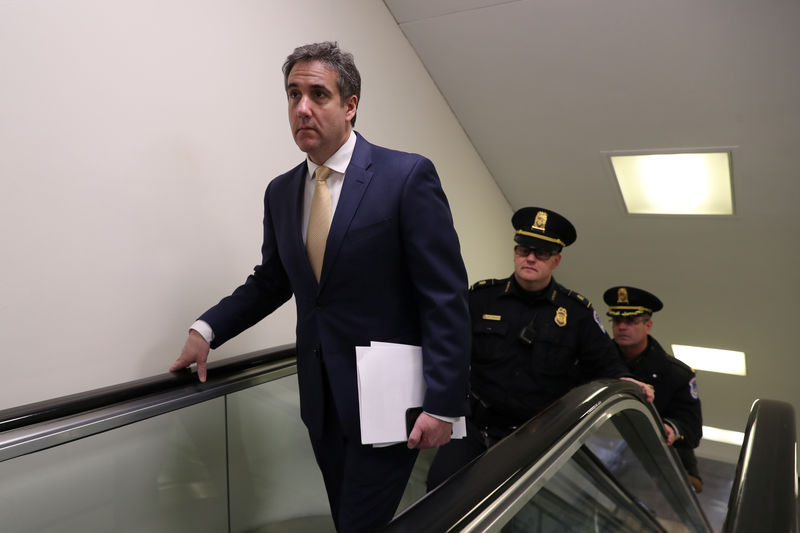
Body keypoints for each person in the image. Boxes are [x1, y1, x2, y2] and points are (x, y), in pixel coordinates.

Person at [169, 42, 470, 532]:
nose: (302, 108)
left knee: (358, 523)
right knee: (344, 518)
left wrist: (444, 403)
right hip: (322, 401)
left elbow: (444, 297)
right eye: (293, 95)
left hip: (389, 400)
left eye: (317, 94)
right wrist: (207, 330)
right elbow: (272, 281)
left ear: (350, 105)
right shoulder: (282, 191)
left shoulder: (405, 177)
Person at [426, 207, 653, 490]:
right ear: (515, 252)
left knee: (496, 511)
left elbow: (606, 363)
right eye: (524, 250)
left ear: (556, 260)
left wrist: (625, 381)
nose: (530, 258)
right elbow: (449, 347)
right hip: (471, 425)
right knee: (437, 492)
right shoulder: (483, 297)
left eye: (542, 253)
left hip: (528, 439)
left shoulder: (577, 313)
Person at [603, 286, 703, 492]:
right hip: (604, 446)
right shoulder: (596, 359)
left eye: (631, 321)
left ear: (648, 325)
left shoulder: (677, 374)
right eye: (617, 321)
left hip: (652, 460)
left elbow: (692, 430)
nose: (622, 327)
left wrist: (672, 429)